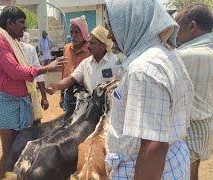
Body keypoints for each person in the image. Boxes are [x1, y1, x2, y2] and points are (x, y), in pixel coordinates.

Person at [104, 0, 194, 179]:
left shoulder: (143, 70)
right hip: (171, 162)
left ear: (133, 24)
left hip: (147, 168)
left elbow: (154, 146)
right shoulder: (164, 53)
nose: (109, 35)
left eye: (113, 26)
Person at [0, 6, 66, 179]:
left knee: (20, 147)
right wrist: (47, 68)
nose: (25, 27)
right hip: (6, 103)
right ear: (9, 23)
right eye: (21, 23)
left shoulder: (14, 43)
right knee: (9, 151)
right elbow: (16, 71)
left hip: (21, 102)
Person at [175, 4, 213, 180]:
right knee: (193, 172)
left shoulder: (182, 56)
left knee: (184, 173)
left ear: (192, 26)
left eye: (177, 24)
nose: (175, 30)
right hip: (206, 123)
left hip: (188, 126)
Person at [46, 25, 118, 96]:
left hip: (111, 105)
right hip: (92, 106)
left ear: (103, 46)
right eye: (88, 42)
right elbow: (71, 79)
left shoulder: (116, 62)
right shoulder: (85, 63)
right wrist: (57, 86)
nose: (88, 46)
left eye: (92, 43)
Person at [60, 15, 91, 111]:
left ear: (84, 33)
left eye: (76, 32)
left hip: (86, 94)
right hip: (68, 92)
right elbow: (64, 72)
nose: (73, 35)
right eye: (71, 32)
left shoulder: (90, 49)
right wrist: (61, 95)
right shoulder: (66, 48)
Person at [20, 32, 49, 110]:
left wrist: (44, 97)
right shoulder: (5, 49)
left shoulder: (29, 49)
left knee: (35, 117)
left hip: (30, 92)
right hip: (14, 96)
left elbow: (38, 73)